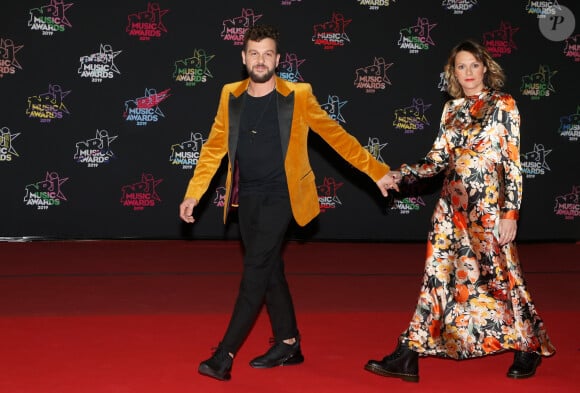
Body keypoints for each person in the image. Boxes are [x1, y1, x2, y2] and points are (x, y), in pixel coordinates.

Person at [179, 24, 400, 382]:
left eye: (268, 53)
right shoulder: (230, 95)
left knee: (254, 271)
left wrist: (375, 171)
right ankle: (288, 341)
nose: (260, 59)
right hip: (247, 196)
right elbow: (213, 148)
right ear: (243, 58)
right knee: (269, 271)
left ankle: (224, 354)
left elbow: (335, 135)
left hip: (282, 195)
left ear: (278, 59)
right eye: (254, 53)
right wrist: (194, 192)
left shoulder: (298, 95)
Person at [364, 40, 556, 383]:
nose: (467, 72)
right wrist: (402, 174)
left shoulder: (503, 105)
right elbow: (437, 160)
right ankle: (408, 353)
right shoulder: (450, 109)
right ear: (453, 73)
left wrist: (509, 213)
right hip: (449, 210)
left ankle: (528, 345)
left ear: (485, 68)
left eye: (473, 65)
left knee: (502, 278)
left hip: (487, 209)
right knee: (435, 276)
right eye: (460, 67)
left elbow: (512, 164)